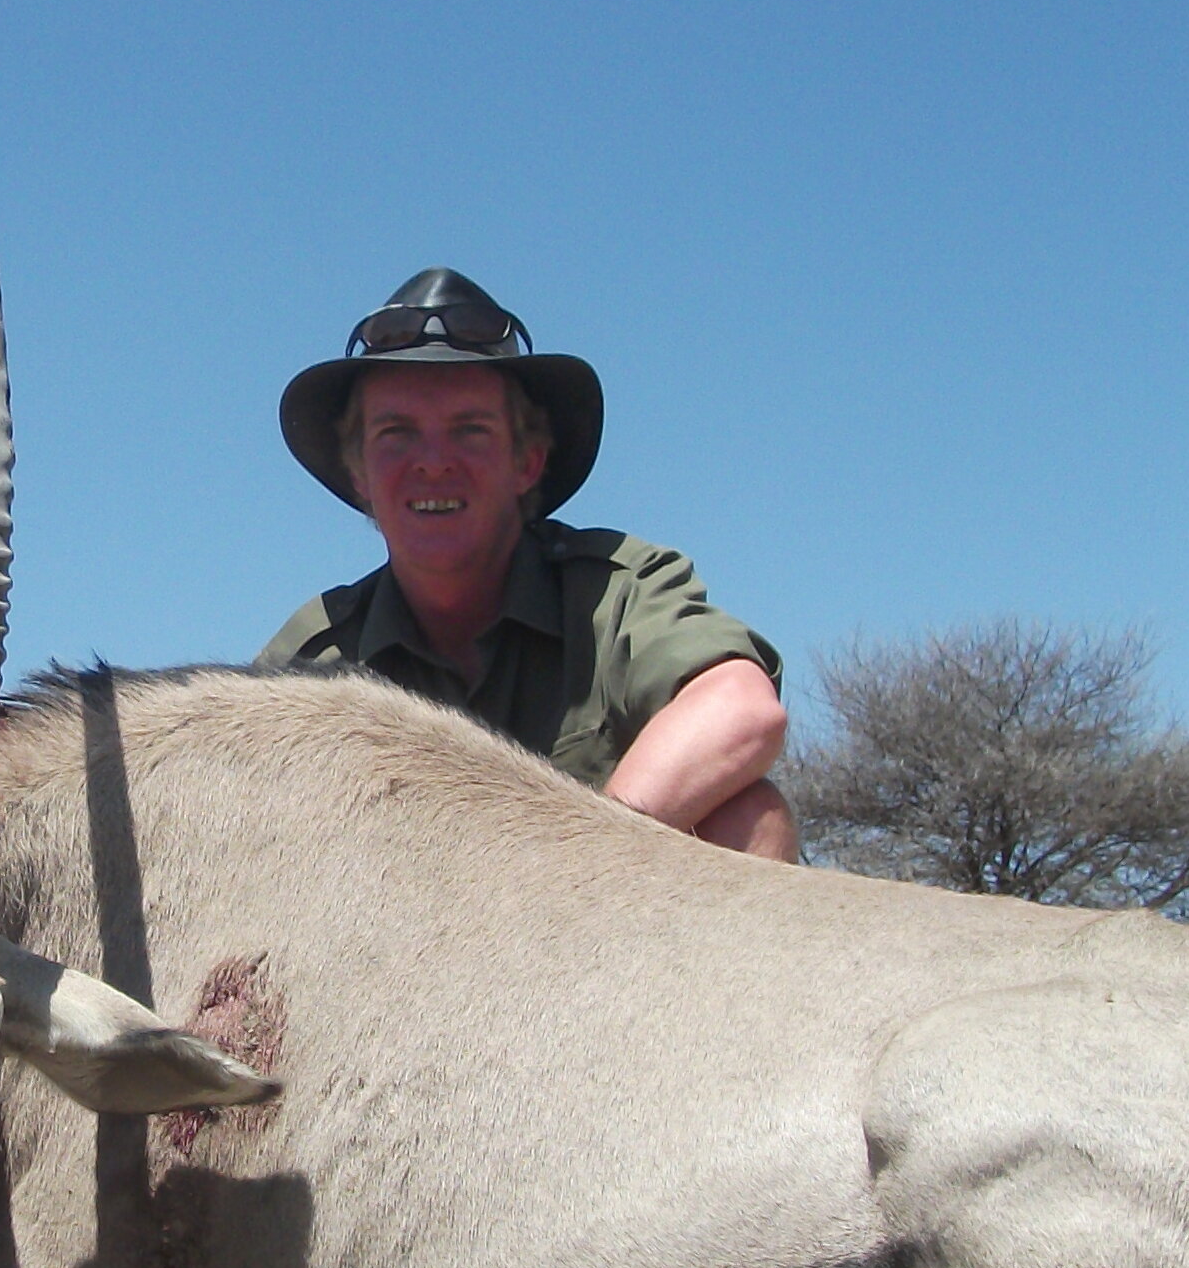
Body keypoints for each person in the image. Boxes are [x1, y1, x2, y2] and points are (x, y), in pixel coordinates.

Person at [257, 268, 798, 855]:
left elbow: (741, 710)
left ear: (528, 462)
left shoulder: (613, 592)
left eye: (471, 431)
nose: (434, 463)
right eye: (396, 433)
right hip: (396, 941)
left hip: (596, 926)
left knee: (749, 817)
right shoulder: (318, 651)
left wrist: (566, 874)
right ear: (358, 471)